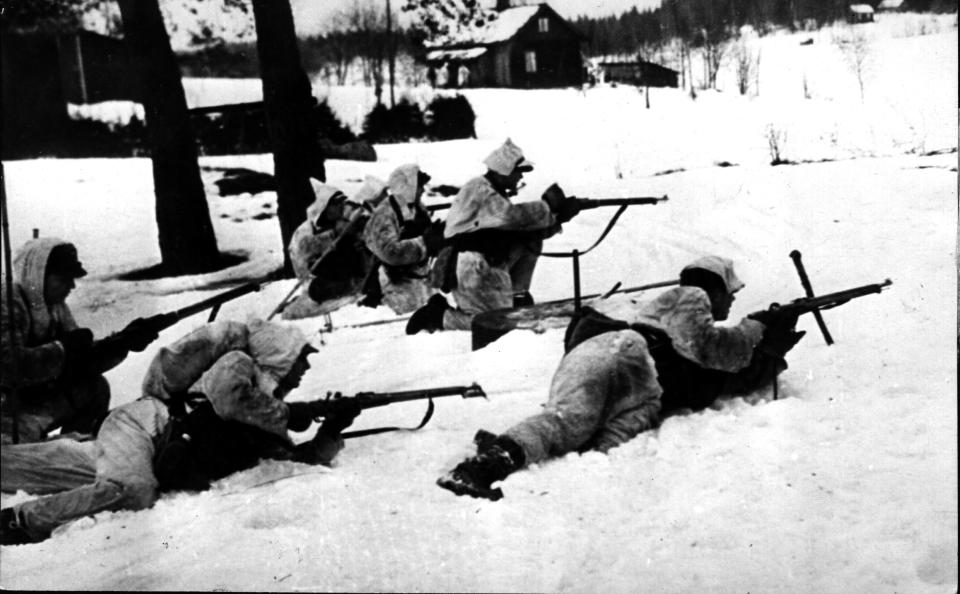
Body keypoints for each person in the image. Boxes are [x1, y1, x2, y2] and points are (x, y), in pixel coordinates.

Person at [436, 255, 806, 500]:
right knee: (568, 423)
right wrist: (755, 329)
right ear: (715, 288)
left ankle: (509, 446)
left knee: (571, 427)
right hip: (622, 355)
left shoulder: (660, 305)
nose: (731, 304)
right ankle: (481, 467)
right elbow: (708, 349)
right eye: (731, 295)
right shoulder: (691, 296)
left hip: (605, 356)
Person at [0, 319, 361, 544]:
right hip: (141, 428)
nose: (303, 372)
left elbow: (289, 461)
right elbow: (227, 396)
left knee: (23, 465)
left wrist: (330, 431)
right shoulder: (241, 363)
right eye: (301, 360)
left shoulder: (264, 405)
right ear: (281, 355)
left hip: (147, 448)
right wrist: (287, 413)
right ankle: (19, 521)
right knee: (133, 491)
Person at [406, 138, 581, 334]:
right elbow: (510, 216)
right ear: (504, 170)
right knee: (493, 325)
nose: (519, 179)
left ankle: (517, 295)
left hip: (485, 264)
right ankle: (440, 317)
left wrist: (558, 219)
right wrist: (548, 208)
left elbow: (521, 230)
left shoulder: (494, 194)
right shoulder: (481, 189)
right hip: (471, 264)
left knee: (530, 242)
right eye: (517, 172)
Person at [0, 238, 157, 445]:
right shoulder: (8, 303)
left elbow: (81, 362)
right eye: (63, 279)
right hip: (7, 411)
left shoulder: (54, 308)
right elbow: (9, 367)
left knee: (94, 388)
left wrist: (121, 343)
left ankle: (77, 448)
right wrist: (62, 349)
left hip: (35, 401)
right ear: (38, 276)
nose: (72, 286)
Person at [283, 177, 387, 320]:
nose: (341, 208)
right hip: (318, 279)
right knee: (319, 289)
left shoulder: (341, 222)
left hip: (348, 275)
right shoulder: (306, 230)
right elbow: (304, 248)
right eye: (336, 204)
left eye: (341, 204)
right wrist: (334, 235)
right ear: (324, 207)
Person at [360, 164, 445, 315]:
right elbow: (390, 252)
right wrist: (425, 243)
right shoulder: (385, 214)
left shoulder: (417, 208)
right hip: (395, 288)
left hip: (421, 281)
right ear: (407, 187)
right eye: (419, 186)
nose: (423, 191)